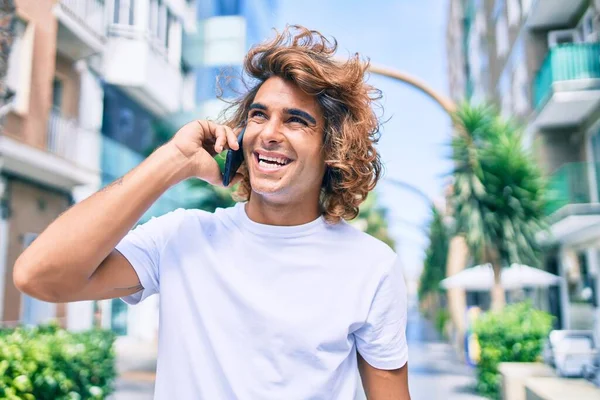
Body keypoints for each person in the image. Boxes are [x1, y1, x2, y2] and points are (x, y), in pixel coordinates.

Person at [14, 25, 410, 399]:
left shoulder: (371, 266)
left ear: (332, 148)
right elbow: (39, 277)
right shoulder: (181, 237)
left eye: (296, 120)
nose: (269, 133)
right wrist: (173, 161)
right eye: (259, 114)